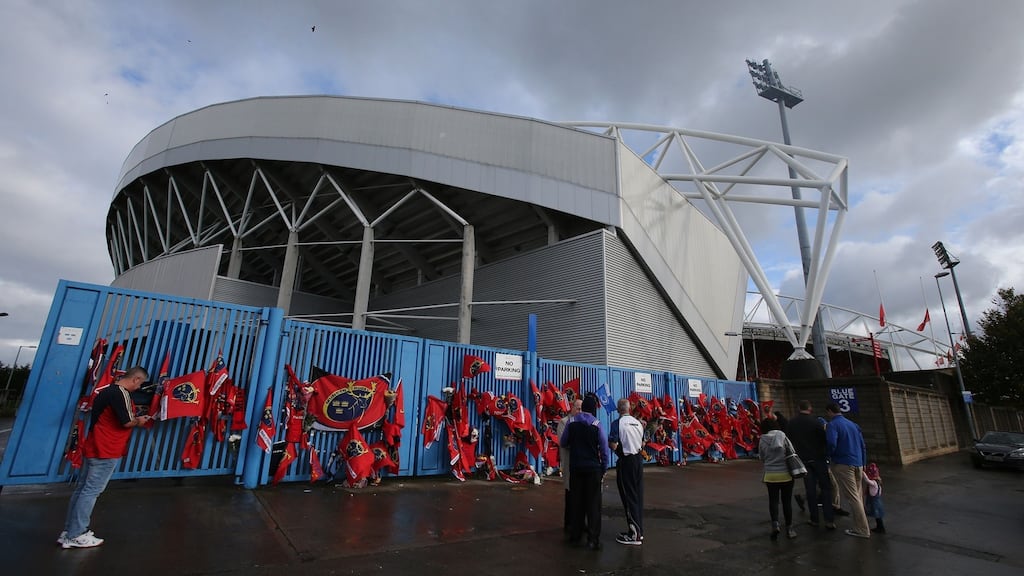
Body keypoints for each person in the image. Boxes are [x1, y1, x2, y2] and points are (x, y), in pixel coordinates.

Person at [59, 366, 152, 549]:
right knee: (91, 491)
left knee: (82, 489)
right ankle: (77, 533)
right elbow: (126, 422)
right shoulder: (121, 393)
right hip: (106, 448)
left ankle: (69, 531)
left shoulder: (106, 391)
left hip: (94, 445)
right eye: (140, 383)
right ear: (135, 379)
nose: (138, 387)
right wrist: (139, 421)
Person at [560, 394, 610, 551]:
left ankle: (575, 536)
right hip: (593, 469)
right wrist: (603, 468)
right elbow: (604, 448)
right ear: (593, 409)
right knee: (593, 504)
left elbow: (563, 442)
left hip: (576, 468)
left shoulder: (571, 422)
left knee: (576, 503)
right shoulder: (597, 424)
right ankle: (593, 540)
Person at [786, 400, 835, 530]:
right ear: (810, 408)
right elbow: (825, 440)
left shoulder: (792, 423)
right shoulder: (816, 422)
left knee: (810, 489)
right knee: (825, 488)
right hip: (819, 459)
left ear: (798, 408)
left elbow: (789, 441)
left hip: (803, 460)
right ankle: (829, 519)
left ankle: (814, 519)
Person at [825, 402, 871, 539]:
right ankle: (860, 525)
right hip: (858, 463)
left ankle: (862, 529)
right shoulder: (853, 424)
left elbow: (832, 443)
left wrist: (830, 456)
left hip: (844, 463)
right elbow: (863, 445)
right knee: (858, 495)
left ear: (830, 411)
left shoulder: (832, 425)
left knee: (853, 497)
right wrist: (863, 463)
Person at [608, 398, 644, 545]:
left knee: (628, 496)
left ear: (618, 409)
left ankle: (634, 533)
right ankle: (639, 530)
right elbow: (642, 442)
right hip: (638, 460)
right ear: (629, 408)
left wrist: (620, 452)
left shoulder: (617, 423)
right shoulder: (638, 423)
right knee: (637, 495)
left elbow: (613, 444)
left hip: (626, 461)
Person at [758, 418, 798, 540]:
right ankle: (790, 528)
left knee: (773, 501)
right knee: (787, 502)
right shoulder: (783, 437)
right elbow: (792, 452)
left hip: (770, 475)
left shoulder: (762, 440)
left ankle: (775, 524)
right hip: (786, 474)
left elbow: (761, 457)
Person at [557, 398, 583, 534]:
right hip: (569, 462)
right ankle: (569, 523)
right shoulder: (564, 422)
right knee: (571, 494)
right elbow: (563, 442)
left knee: (581, 495)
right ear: (572, 408)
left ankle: (579, 522)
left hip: (581, 464)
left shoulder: (583, 422)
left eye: (581, 408)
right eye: (578, 408)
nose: (580, 411)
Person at [862, 462, 886, 534]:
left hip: (875, 502)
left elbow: (867, 480)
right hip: (878, 502)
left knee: (877, 516)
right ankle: (880, 527)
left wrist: (863, 473)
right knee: (878, 516)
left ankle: (880, 528)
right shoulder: (878, 483)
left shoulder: (874, 483)